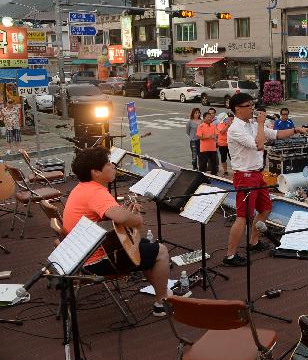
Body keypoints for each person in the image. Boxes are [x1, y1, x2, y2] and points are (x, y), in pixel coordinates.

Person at [63, 147, 171, 316]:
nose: (113, 166)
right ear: (96, 172)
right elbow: (120, 218)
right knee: (161, 252)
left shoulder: (82, 187)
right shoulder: (96, 192)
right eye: (108, 164)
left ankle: (159, 286)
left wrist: (125, 212)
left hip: (78, 254)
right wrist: (137, 219)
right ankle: (162, 301)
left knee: (145, 245)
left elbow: (108, 214)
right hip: (96, 261)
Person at [223, 93, 308, 267]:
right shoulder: (235, 129)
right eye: (249, 106)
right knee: (243, 216)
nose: (253, 109)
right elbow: (259, 145)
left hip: (257, 174)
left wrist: (295, 130)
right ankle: (230, 256)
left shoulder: (253, 124)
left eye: (252, 105)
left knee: (265, 208)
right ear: (238, 109)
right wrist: (262, 123)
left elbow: (275, 134)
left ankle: (253, 242)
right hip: (245, 176)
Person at [196, 111, 219, 176]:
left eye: (210, 117)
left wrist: (216, 138)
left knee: (214, 164)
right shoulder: (201, 126)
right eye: (208, 117)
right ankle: (201, 176)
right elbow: (199, 136)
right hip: (204, 149)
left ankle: (214, 175)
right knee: (203, 164)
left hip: (213, 148)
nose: (209, 118)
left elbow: (216, 134)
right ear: (204, 118)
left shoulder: (213, 125)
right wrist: (208, 137)